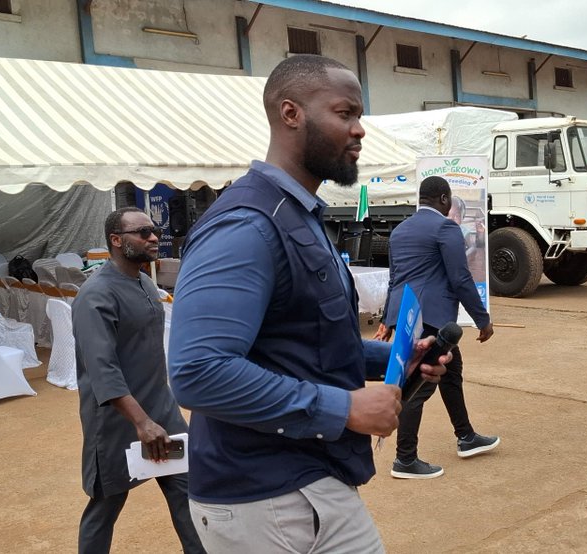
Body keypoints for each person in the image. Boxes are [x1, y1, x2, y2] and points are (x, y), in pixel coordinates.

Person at [168, 54, 449, 553]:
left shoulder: (301, 215)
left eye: (359, 116)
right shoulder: (247, 224)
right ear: (291, 113)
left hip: (314, 479)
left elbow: (306, 339)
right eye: (345, 114)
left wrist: (399, 358)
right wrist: (343, 408)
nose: (360, 130)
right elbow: (198, 371)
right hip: (260, 497)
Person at [72, 208, 204, 554]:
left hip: (162, 409)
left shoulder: (144, 280)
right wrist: (141, 422)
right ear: (116, 241)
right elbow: (103, 370)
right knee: (107, 503)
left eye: (154, 230)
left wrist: (157, 414)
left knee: (187, 489)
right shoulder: (95, 296)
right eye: (142, 232)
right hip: (119, 422)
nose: (153, 237)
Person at [376, 176, 499, 479]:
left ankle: (466, 436)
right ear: (444, 199)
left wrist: (387, 319)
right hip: (431, 317)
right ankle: (405, 459)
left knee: (451, 372)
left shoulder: (401, 230)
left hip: (406, 314)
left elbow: (395, 278)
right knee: (421, 384)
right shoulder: (446, 228)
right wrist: (481, 319)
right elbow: (459, 277)